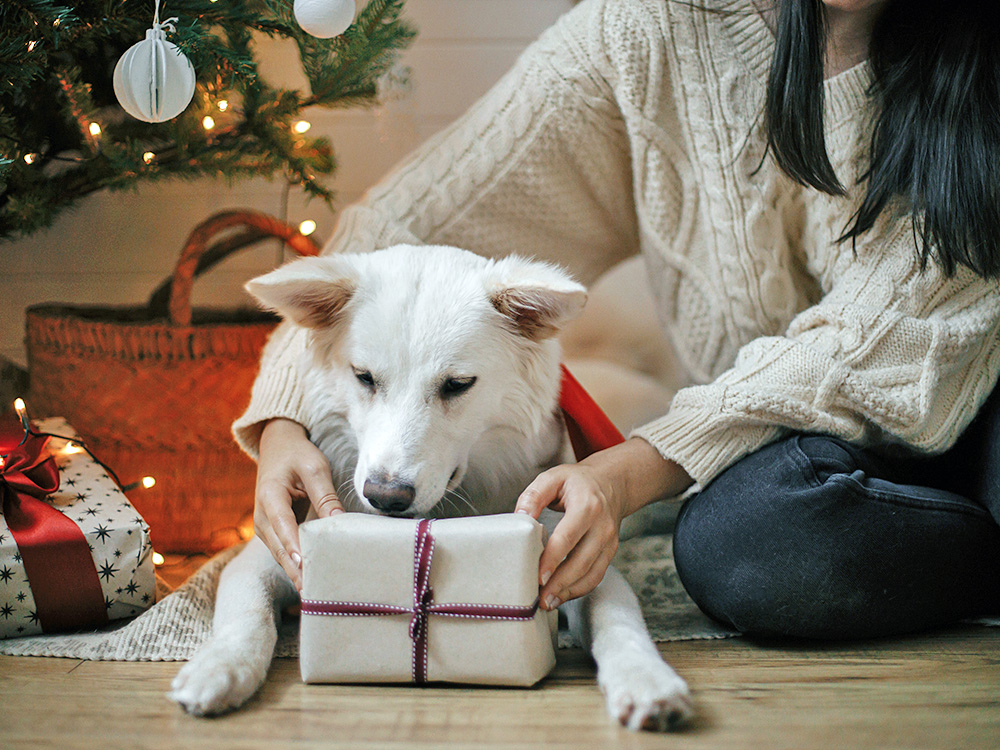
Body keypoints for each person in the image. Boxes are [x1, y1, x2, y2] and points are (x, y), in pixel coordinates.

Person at [233, 0, 1000, 639]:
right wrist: (282, 422)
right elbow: (399, 232)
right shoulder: (649, 31)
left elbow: (881, 338)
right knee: (739, 545)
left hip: (981, 413)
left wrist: (626, 473)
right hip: (794, 441)